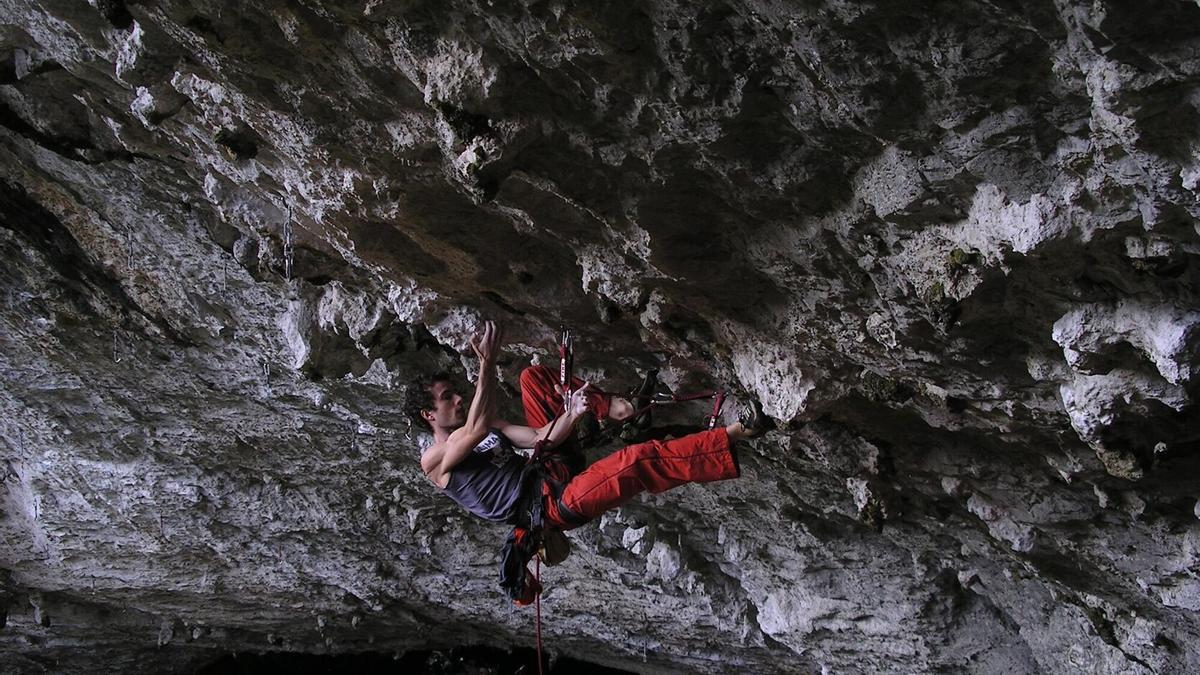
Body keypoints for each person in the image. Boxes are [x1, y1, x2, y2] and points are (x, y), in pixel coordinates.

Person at [408, 320, 765, 599]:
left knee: (532, 379)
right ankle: (736, 433)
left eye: (455, 393)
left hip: (550, 465)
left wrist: (575, 413)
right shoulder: (434, 462)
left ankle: (614, 408)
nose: (457, 398)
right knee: (634, 462)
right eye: (446, 397)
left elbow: (537, 437)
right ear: (429, 415)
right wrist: (486, 364)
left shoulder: (488, 428)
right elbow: (474, 427)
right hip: (554, 506)